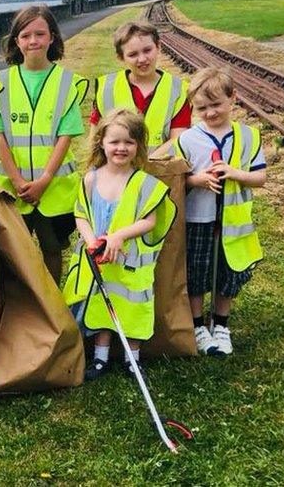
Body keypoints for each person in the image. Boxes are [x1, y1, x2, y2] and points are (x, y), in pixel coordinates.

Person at [63, 108, 176, 381]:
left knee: (132, 308)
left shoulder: (144, 183)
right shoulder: (91, 178)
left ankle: (132, 360)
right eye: (115, 141)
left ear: (138, 146)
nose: (121, 148)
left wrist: (119, 235)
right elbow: (81, 214)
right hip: (99, 261)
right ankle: (100, 359)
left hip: (129, 262)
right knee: (103, 306)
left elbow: (149, 221)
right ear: (101, 141)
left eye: (129, 142)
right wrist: (91, 241)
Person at [173, 67, 265, 356]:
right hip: (198, 219)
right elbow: (177, 181)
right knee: (196, 273)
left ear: (232, 98)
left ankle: (221, 324)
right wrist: (197, 180)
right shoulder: (186, 140)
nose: (210, 113)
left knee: (229, 273)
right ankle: (198, 325)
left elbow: (260, 178)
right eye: (202, 108)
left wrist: (234, 173)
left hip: (233, 223)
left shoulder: (249, 136)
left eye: (216, 105)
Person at [0, 5, 89, 283]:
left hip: (54, 188)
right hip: (13, 189)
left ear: (52, 38)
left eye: (40, 34)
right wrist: (17, 179)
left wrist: (44, 179)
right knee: (12, 253)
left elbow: (66, 135)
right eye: (25, 35)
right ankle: (18, 309)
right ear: (16, 41)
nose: (33, 41)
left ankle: (53, 307)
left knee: (52, 249)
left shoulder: (69, 83)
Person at [90, 20, 191, 157]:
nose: (142, 59)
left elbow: (178, 140)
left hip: (160, 173)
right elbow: (95, 138)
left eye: (147, 50)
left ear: (158, 47)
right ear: (121, 57)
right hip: (116, 172)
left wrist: (146, 164)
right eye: (133, 55)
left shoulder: (177, 89)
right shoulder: (107, 87)